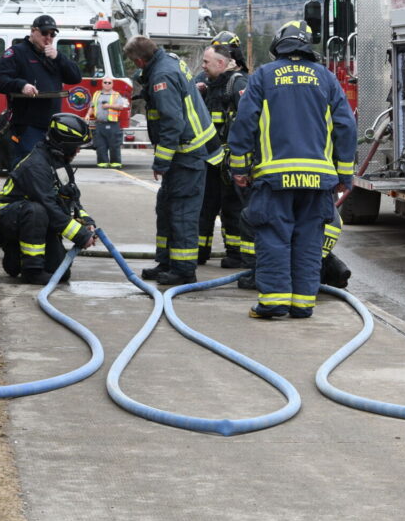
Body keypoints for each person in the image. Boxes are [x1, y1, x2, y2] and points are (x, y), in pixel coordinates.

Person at [227, 21, 356, 319]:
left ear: (278, 45)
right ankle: (302, 304)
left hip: (275, 179)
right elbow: (346, 126)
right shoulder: (325, 78)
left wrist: (239, 167)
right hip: (318, 181)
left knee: (274, 238)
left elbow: (244, 122)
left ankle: (273, 303)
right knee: (309, 242)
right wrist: (344, 174)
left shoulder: (263, 76)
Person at [125, 36, 219, 285]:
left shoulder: (161, 77)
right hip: (183, 153)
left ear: (139, 59)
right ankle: (166, 262)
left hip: (186, 155)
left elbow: (172, 122)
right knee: (166, 207)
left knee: (182, 212)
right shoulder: (168, 62)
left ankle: (184, 269)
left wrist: (161, 162)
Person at [0, 113, 97, 285]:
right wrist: (80, 236)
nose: (78, 150)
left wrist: (85, 221)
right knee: (37, 210)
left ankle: (15, 259)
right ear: (64, 145)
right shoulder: (36, 166)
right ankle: (31, 270)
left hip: (38, 220)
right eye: (76, 146)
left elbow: (71, 198)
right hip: (11, 217)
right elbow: (48, 205)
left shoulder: (59, 162)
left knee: (61, 273)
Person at [0, 15, 82, 167]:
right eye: (44, 33)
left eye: (52, 34)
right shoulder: (16, 53)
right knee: (27, 167)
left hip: (52, 126)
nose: (48, 38)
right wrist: (22, 85)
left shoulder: (53, 56)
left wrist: (59, 57)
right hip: (27, 125)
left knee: (49, 169)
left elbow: (75, 77)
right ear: (33, 31)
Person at [196, 39, 249, 267]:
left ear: (222, 62)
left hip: (228, 160)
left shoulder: (237, 84)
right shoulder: (208, 83)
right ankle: (199, 251)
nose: (203, 66)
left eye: (207, 62)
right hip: (209, 160)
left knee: (232, 208)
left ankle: (236, 254)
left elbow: (247, 122)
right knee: (205, 207)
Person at [87, 78, 128, 168]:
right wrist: (87, 115)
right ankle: (102, 163)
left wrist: (108, 106)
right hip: (99, 123)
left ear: (112, 84)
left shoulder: (116, 95)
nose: (107, 84)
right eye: (105, 82)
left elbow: (121, 107)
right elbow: (92, 106)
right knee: (100, 145)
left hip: (113, 124)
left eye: (109, 83)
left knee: (114, 145)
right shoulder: (97, 94)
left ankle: (115, 163)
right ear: (102, 84)